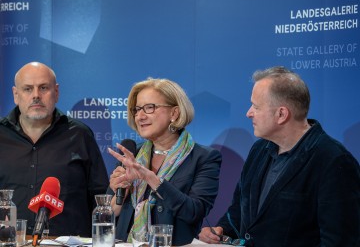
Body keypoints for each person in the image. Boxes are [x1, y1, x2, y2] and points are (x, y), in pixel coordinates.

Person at [199, 66, 360, 246]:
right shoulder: (259, 149)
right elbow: (239, 210)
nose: (248, 113)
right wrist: (221, 230)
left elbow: (340, 241)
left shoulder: (333, 161)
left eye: (256, 106)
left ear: (281, 114)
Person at [107, 77, 222, 246]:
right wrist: (120, 194)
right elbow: (109, 215)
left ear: (174, 113)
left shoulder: (203, 157)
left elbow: (194, 212)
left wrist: (151, 178)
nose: (140, 116)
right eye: (137, 109)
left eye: (149, 108)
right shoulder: (132, 154)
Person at [0, 62, 109, 237]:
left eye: (43, 88)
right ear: (15, 95)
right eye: (28, 89)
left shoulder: (80, 135)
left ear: (56, 92)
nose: (36, 95)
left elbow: (100, 198)